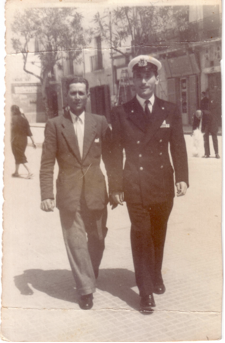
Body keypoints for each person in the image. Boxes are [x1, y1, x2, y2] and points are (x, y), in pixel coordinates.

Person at [109, 55, 189, 314]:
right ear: (132, 80)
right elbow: (113, 152)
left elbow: (178, 145)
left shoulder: (170, 109)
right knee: (142, 235)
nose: (143, 81)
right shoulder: (121, 112)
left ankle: (155, 274)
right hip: (135, 185)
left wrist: (182, 178)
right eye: (138, 77)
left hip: (163, 184)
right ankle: (145, 292)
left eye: (148, 77)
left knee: (158, 233)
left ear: (156, 79)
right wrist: (116, 186)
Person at [40, 76, 111, 310]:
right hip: (69, 193)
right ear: (66, 96)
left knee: (98, 239)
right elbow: (47, 163)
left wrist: (118, 188)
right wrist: (46, 194)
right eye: (73, 93)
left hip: (96, 191)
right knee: (76, 242)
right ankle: (85, 289)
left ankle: (90, 272)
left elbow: (111, 158)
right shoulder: (54, 124)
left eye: (82, 93)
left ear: (88, 96)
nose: (77, 97)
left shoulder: (100, 122)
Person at [11, 105, 36, 178]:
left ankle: (30, 172)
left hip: (16, 140)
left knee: (20, 155)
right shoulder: (25, 119)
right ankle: (16, 172)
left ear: (13, 111)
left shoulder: (12, 119)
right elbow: (29, 132)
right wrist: (33, 142)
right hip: (24, 140)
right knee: (18, 154)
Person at [200, 90, 220, 159]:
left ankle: (213, 153)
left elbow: (218, 112)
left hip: (210, 122)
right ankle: (210, 153)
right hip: (209, 122)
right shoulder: (205, 102)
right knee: (208, 137)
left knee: (211, 137)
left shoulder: (213, 101)